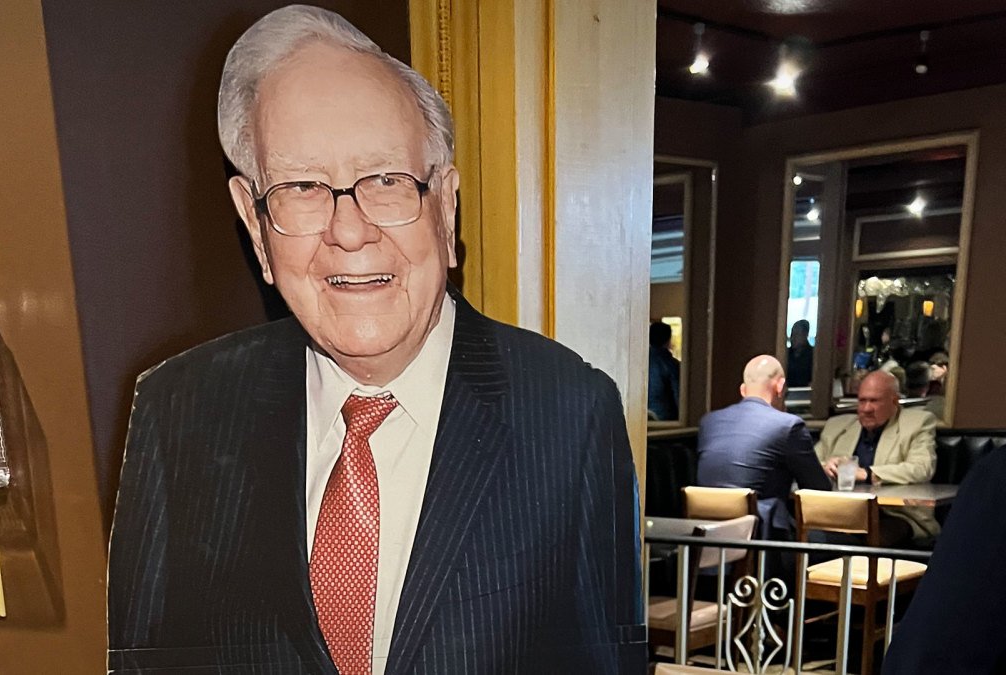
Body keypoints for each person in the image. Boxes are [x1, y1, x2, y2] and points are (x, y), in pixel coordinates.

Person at [107, 7, 644, 674]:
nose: (349, 230)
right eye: (303, 187)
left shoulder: (572, 414)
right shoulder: (176, 411)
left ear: (445, 205)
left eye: (387, 180)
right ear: (255, 224)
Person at [882, 446, 1006, 674]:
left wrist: (871, 473)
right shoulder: (842, 432)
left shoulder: (996, 477)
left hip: (905, 523)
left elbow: (921, 468)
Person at [697, 355, 831, 541]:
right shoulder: (788, 426)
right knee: (847, 541)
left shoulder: (709, 422)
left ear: (743, 390)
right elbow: (819, 490)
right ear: (780, 386)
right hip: (763, 542)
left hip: (707, 540)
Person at [815, 370, 939, 544]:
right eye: (862, 401)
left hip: (894, 514)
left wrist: (868, 474)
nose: (866, 409)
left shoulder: (917, 423)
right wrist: (826, 466)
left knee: (869, 536)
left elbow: (921, 468)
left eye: (874, 401)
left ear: (894, 401)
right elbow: (810, 463)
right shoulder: (837, 426)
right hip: (841, 511)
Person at [648, 321, 680, 421]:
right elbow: (678, 396)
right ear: (668, 340)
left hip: (639, 415)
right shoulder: (672, 365)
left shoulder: (637, 362)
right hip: (665, 418)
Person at [785, 320, 814, 387]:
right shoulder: (786, 354)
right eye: (792, 334)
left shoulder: (813, 355)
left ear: (805, 335)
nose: (793, 338)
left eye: (797, 334)